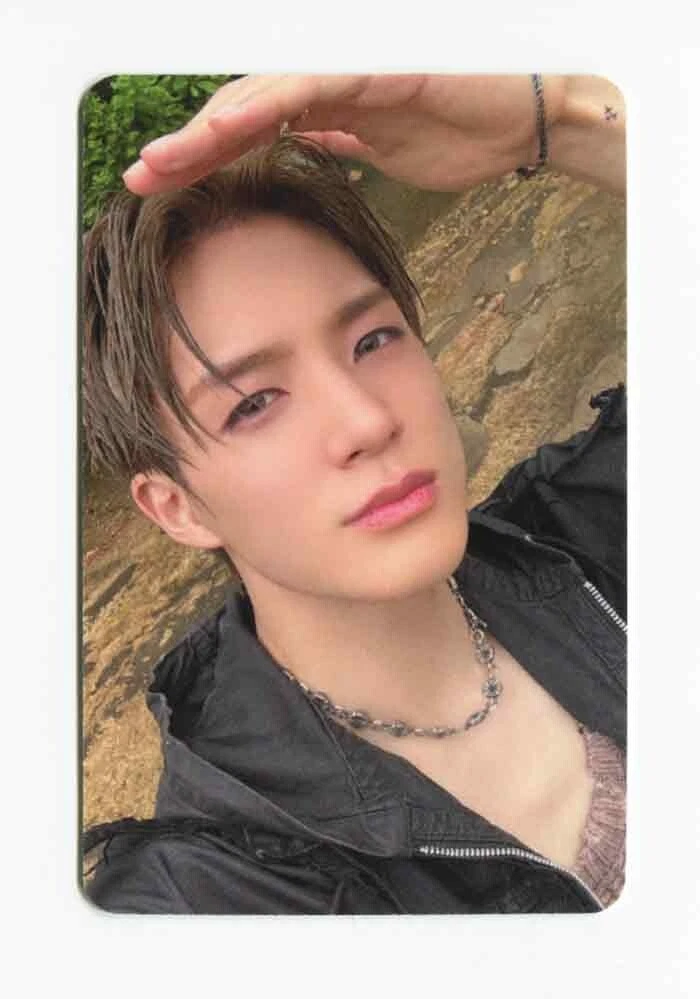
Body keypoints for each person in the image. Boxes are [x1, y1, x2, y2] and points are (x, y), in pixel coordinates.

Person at [82, 73, 626, 914]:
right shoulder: (212, 897)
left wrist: (555, 119)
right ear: (175, 506)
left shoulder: (599, 527)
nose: (367, 420)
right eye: (254, 403)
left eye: (373, 340)